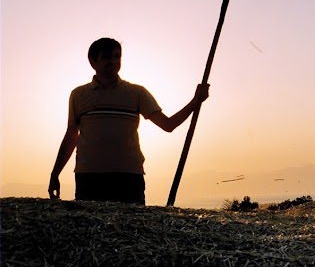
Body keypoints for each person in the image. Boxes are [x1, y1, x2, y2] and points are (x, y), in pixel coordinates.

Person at [48, 37, 210, 205]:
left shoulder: (137, 93)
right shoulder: (79, 95)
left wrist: (195, 102)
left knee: (131, 229)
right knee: (92, 230)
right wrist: (55, 174)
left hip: (128, 177)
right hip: (89, 177)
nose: (113, 62)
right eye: (106, 57)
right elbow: (71, 135)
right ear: (92, 61)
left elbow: (168, 125)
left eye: (117, 56)